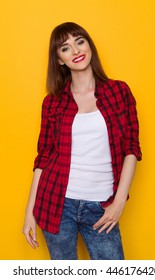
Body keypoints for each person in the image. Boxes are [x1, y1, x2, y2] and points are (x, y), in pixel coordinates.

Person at [23, 22, 142, 260]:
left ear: (89, 46)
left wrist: (118, 202)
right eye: (65, 48)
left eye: (80, 42)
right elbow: (43, 158)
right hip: (56, 203)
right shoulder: (53, 103)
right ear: (59, 59)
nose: (76, 51)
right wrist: (29, 212)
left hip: (101, 205)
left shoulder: (119, 92)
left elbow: (132, 147)